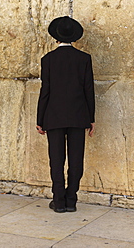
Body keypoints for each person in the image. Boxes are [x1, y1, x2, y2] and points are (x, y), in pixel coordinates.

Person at [36, 16, 95, 213]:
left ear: (56, 37)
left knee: (56, 159)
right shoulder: (84, 59)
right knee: (76, 160)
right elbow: (89, 90)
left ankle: (58, 201)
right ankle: (71, 200)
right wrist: (91, 119)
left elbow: (46, 91)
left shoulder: (48, 60)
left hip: (53, 117)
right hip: (79, 116)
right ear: (74, 37)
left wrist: (40, 119)